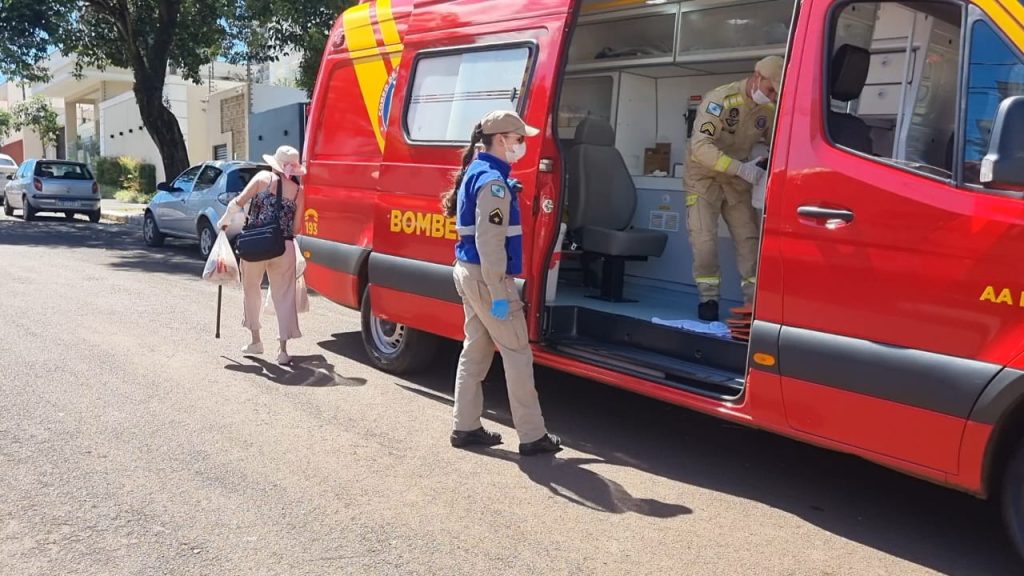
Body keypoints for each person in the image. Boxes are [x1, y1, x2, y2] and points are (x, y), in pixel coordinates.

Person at [440, 110, 562, 456]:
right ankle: (532, 435)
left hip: (469, 273)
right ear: (502, 139)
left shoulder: (482, 174)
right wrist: (498, 295)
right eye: (519, 139)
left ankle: (465, 427)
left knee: (476, 351)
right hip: (487, 279)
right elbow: (490, 244)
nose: (522, 145)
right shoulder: (492, 182)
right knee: (518, 353)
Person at [685, 56, 784, 321]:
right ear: (756, 77)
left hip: (737, 180)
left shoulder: (768, 110)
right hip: (703, 178)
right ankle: (708, 300)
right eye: (770, 89)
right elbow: (700, 147)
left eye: (777, 91)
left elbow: (778, 143)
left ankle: (752, 306)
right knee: (704, 240)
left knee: (749, 241)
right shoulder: (719, 101)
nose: (772, 95)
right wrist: (742, 169)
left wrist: (763, 164)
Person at [218, 145, 306, 365]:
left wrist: (224, 223)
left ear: (274, 162)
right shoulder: (299, 192)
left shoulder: (262, 178)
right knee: (284, 297)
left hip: (254, 244)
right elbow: (296, 229)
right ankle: (283, 351)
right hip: (283, 247)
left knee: (251, 290)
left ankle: (256, 341)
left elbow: (238, 202)